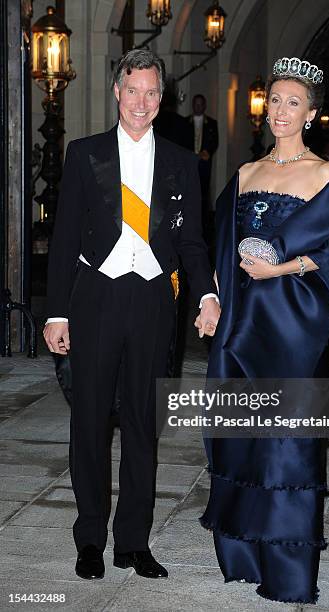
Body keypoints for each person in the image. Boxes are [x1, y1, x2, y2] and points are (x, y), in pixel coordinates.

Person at [44, 49, 220, 582]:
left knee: (144, 425)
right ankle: (91, 539)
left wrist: (208, 295)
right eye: (132, 90)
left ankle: (133, 542)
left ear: (160, 100)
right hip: (94, 298)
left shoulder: (182, 162)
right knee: (90, 424)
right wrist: (56, 313)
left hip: (151, 302)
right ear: (117, 92)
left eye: (151, 92)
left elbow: (192, 241)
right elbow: (64, 239)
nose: (141, 101)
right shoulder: (84, 153)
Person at [197, 57, 329, 603]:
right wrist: (211, 298)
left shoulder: (324, 174)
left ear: (311, 113)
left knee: (286, 437)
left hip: (291, 319)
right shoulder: (245, 173)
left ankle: (287, 570)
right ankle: (242, 553)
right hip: (241, 321)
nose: (281, 111)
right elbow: (219, 246)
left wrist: (278, 267)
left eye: (293, 103)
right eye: (275, 101)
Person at [186, 94, 219, 232]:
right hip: (189, 162)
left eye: (200, 104)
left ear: (204, 106)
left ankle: (203, 223)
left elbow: (215, 142)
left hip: (204, 163)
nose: (198, 107)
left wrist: (208, 152)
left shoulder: (211, 123)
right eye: (196, 104)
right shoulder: (185, 122)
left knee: (203, 192)